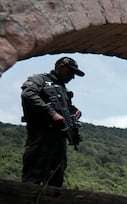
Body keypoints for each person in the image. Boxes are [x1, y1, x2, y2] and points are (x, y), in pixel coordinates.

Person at [21, 56, 85, 187]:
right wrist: (52, 113)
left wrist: (74, 111)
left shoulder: (63, 90)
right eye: (70, 72)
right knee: (34, 175)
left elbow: (63, 108)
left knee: (56, 178)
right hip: (41, 136)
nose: (72, 77)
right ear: (60, 68)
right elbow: (28, 94)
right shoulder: (40, 79)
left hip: (59, 139)